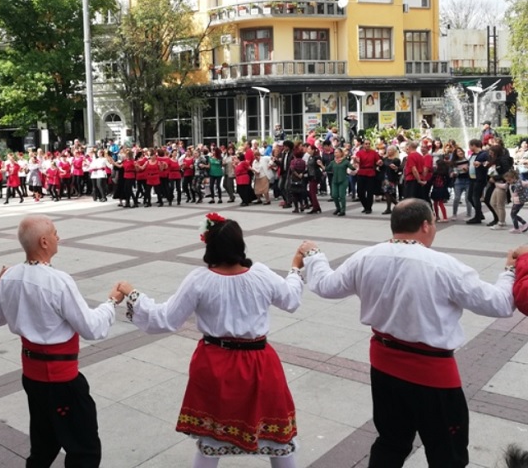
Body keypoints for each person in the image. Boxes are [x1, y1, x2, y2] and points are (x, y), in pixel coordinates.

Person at [298, 199, 517, 468]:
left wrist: (315, 255)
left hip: (384, 368)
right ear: (425, 225)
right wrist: (509, 272)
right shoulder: (442, 265)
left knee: (391, 442)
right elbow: (501, 304)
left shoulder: (366, 257)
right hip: (432, 374)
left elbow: (325, 285)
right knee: (447, 453)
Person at [112, 213, 303, 468]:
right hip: (259, 363)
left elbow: (165, 318)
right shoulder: (261, 274)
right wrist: (295, 267)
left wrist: (132, 293)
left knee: (211, 441)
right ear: (240, 245)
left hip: (215, 364)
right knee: (278, 438)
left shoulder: (200, 280)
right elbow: (291, 299)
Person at [0, 215, 122, 468]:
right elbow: (92, 327)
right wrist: (111, 302)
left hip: (32, 375)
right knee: (84, 449)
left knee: (44, 442)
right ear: (44, 241)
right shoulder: (57, 281)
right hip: (60, 379)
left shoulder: (11, 276)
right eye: (56, 233)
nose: (59, 238)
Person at [326, 148, 350, 216]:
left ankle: (343, 210)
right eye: (335, 152)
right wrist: (321, 164)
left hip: (343, 180)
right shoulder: (333, 162)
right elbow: (327, 169)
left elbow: (352, 167)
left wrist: (355, 167)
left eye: (337, 152)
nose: (335, 154)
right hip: (335, 180)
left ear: (341, 153)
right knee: (334, 195)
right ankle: (338, 208)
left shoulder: (345, 161)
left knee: (342, 196)